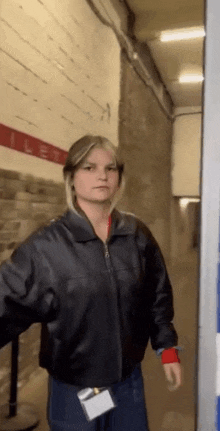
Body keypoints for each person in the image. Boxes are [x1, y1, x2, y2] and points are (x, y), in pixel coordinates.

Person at [0, 135, 182, 431]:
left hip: (128, 385)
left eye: (111, 168)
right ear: (71, 178)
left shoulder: (137, 236)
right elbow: (4, 299)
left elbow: (157, 295)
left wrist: (167, 348)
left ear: (119, 178)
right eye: (90, 167)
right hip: (74, 392)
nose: (102, 175)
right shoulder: (47, 247)